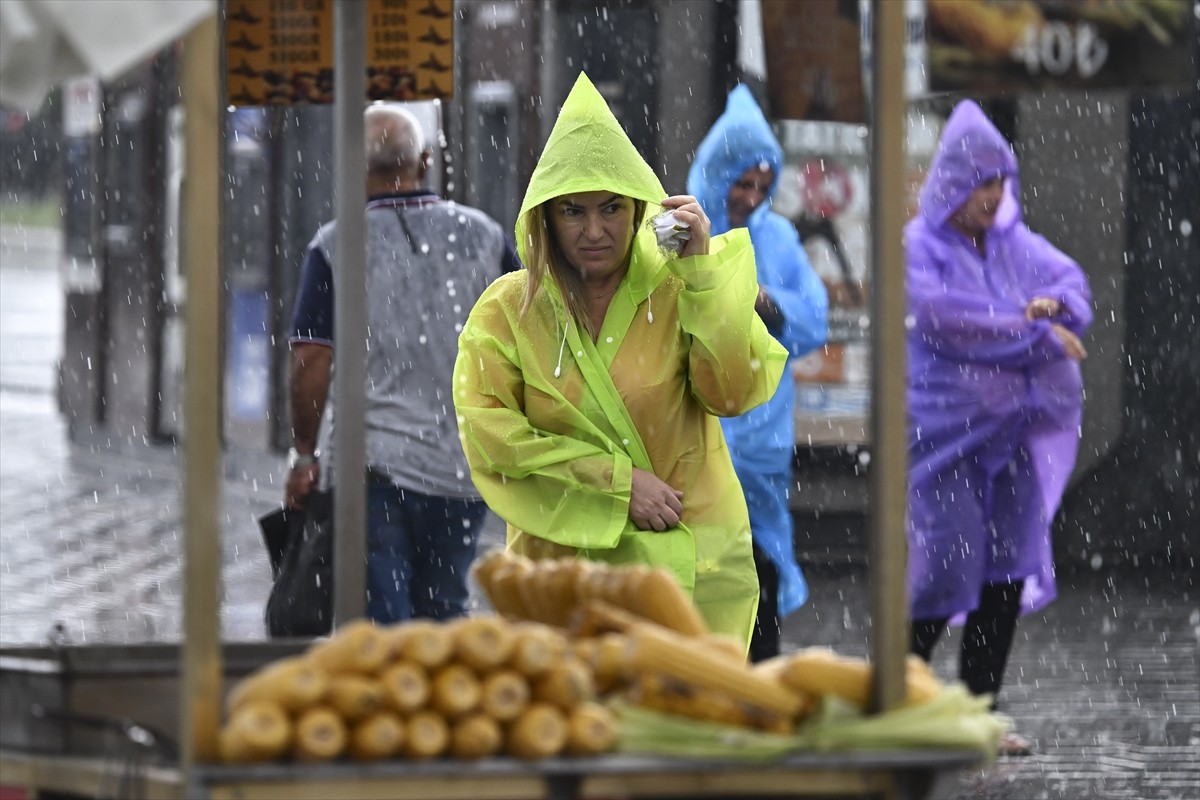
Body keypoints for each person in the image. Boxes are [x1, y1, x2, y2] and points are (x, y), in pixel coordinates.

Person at [452, 73, 789, 649]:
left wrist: (705, 275)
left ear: (637, 209)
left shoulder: (679, 283)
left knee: (680, 732)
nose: (593, 231)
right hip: (563, 584)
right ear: (544, 219)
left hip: (687, 575)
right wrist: (614, 485)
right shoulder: (507, 311)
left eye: (610, 208)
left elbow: (732, 391)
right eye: (572, 212)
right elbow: (492, 436)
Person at [905, 100, 1092, 754]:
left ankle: (980, 712)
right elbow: (941, 318)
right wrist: (1033, 330)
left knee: (1004, 573)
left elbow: (1071, 282)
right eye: (982, 182)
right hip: (945, 442)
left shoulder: (1015, 242)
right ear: (952, 181)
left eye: (1000, 183)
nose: (993, 196)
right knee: (939, 570)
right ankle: (903, 705)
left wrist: (1059, 304)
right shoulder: (918, 246)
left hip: (1011, 438)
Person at [286, 104, 518, 624]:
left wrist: (304, 455)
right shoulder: (484, 235)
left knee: (383, 620)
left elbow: (310, 360)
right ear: (427, 161)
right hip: (463, 465)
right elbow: (529, 335)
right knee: (443, 609)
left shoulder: (334, 244)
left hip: (373, 467)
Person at [687, 86, 829, 662]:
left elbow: (812, 315)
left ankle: (761, 679)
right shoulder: (682, 231)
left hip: (762, 438)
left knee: (761, 565)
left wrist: (768, 304)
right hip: (697, 438)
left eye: (762, 187)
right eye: (741, 182)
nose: (750, 197)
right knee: (701, 574)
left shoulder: (780, 238)